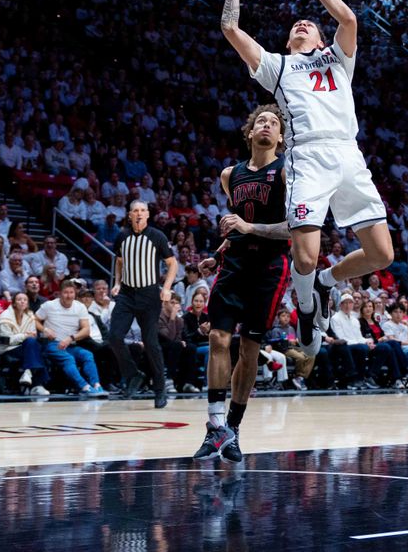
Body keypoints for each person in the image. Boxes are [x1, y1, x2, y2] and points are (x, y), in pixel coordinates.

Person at [221, 0, 393, 360]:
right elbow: (230, 28)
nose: (302, 24)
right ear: (289, 39)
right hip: (308, 156)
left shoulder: (338, 58)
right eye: (296, 25)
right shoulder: (278, 67)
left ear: (321, 37)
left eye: (310, 24)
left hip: (348, 155)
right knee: (305, 255)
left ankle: (327, 283)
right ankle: (305, 305)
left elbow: (348, 18)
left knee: (382, 255)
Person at [194, 106, 290, 463]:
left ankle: (233, 429)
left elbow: (296, 229)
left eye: (274, 123)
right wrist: (218, 254)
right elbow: (238, 223)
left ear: (281, 137)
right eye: (261, 121)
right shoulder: (229, 175)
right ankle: (216, 424)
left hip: (270, 267)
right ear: (250, 133)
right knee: (218, 337)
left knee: (249, 350)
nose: (266, 125)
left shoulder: (287, 172)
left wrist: (249, 229)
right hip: (234, 263)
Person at [111, 201, 179, 408]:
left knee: (151, 343)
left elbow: (172, 263)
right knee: (114, 337)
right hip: (127, 294)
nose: (139, 214)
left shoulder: (157, 236)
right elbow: (120, 261)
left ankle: (160, 389)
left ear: (148, 215)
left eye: (142, 211)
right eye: (135, 211)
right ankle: (133, 374)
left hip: (149, 295)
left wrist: (166, 288)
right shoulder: (122, 236)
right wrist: (117, 283)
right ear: (130, 215)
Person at [36, 280, 108, 397]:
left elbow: (86, 330)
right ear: (60, 293)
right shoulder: (49, 305)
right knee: (68, 359)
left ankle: (96, 385)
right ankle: (84, 387)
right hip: (53, 344)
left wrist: (70, 338)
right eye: (65, 292)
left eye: (71, 292)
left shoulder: (79, 307)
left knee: (87, 355)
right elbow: (34, 320)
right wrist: (45, 330)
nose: (69, 295)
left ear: (75, 294)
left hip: (71, 344)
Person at [0, 291, 50, 396]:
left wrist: (27, 336)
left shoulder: (30, 315)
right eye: (19, 299)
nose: (22, 302)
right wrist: (24, 336)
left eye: (25, 300)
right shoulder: (5, 316)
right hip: (7, 349)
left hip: (25, 347)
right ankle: (37, 385)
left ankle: (28, 375)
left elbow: (33, 334)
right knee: (33, 346)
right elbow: (6, 340)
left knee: (38, 346)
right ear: (14, 303)